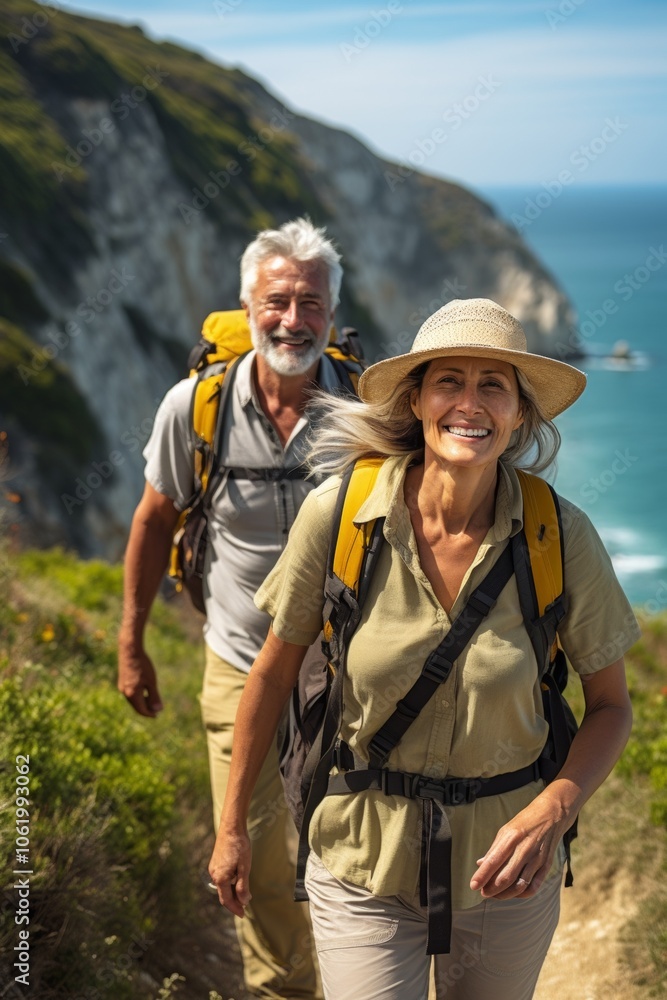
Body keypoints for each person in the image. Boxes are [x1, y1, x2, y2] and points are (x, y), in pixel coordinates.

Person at [207, 297, 639, 1000]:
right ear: (415, 401)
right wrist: (232, 828)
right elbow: (271, 674)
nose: (470, 403)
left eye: (493, 385)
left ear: (519, 415)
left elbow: (611, 707)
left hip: (509, 868)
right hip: (361, 858)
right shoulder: (340, 517)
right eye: (449, 382)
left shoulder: (558, 536)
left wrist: (554, 810)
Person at [118, 217, 356, 1000]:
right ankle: (287, 989)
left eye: (311, 303)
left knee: (355, 847)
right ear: (247, 306)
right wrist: (131, 644)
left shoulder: (366, 410)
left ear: (332, 313)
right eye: (276, 301)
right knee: (251, 851)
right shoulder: (195, 408)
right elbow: (153, 521)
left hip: (350, 675)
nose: (293, 320)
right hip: (238, 663)